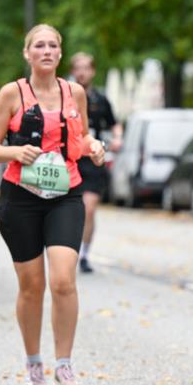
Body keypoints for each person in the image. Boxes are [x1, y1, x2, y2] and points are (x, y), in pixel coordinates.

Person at [0, 24, 106, 385]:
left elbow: (80, 139)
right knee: (32, 286)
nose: (47, 51)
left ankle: (64, 367)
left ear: (60, 53)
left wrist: (94, 146)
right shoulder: (11, 93)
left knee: (64, 280)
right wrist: (14, 151)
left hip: (66, 194)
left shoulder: (75, 93)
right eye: (40, 45)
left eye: (53, 45)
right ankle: (34, 364)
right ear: (28, 53)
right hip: (21, 197)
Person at [69, 52, 122, 273]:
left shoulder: (101, 100)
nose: (82, 72)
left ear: (92, 71)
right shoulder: (65, 96)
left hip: (93, 161)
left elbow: (114, 123)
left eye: (86, 68)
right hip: (70, 159)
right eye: (78, 68)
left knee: (88, 210)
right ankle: (65, 249)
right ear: (73, 72)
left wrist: (118, 138)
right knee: (70, 210)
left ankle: (84, 253)